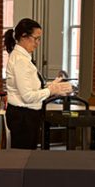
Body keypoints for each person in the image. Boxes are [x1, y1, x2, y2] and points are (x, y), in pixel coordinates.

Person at [4, 18, 72, 149]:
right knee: (23, 158)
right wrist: (52, 90)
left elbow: (32, 88)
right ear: (24, 36)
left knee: (27, 156)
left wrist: (51, 86)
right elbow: (28, 96)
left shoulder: (24, 58)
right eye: (36, 38)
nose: (38, 43)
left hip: (27, 115)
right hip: (23, 116)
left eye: (39, 39)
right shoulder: (20, 60)